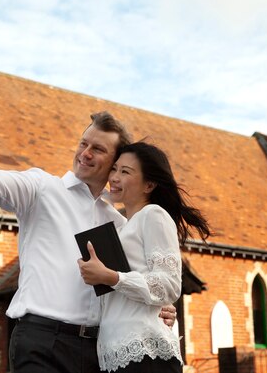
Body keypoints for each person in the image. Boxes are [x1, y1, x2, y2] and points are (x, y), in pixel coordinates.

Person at [0, 109, 177, 373]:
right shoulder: (41, 189)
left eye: (98, 149)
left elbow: (131, 283)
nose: (85, 153)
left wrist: (159, 308)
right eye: (84, 143)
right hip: (41, 342)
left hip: (98, 353)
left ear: (114, 163)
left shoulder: (119, 223)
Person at [78, 141, 211, 372]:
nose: (115, 177)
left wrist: (112, 277)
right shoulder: (119, 229)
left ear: (149, 184)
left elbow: (170, 285)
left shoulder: (154, 215)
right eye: (115, 169)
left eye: (125, 172)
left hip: (147, 353)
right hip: (114, 355)